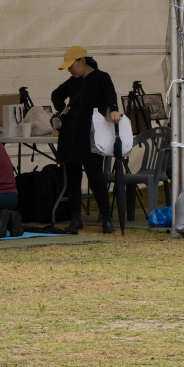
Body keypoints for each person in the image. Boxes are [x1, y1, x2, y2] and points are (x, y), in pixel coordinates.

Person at [52, 46, 121, 234]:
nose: (70, 70)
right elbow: (56, 94)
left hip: (91, 133)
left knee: (95, 176)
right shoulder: (73, 81)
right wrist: (62, 108)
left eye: (71, 65)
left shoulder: (101, 77)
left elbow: (111, 96)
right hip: (70, 133)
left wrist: (113, 110)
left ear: (82, 61)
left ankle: (106, 217)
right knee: (73, 178)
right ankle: (76, 218)